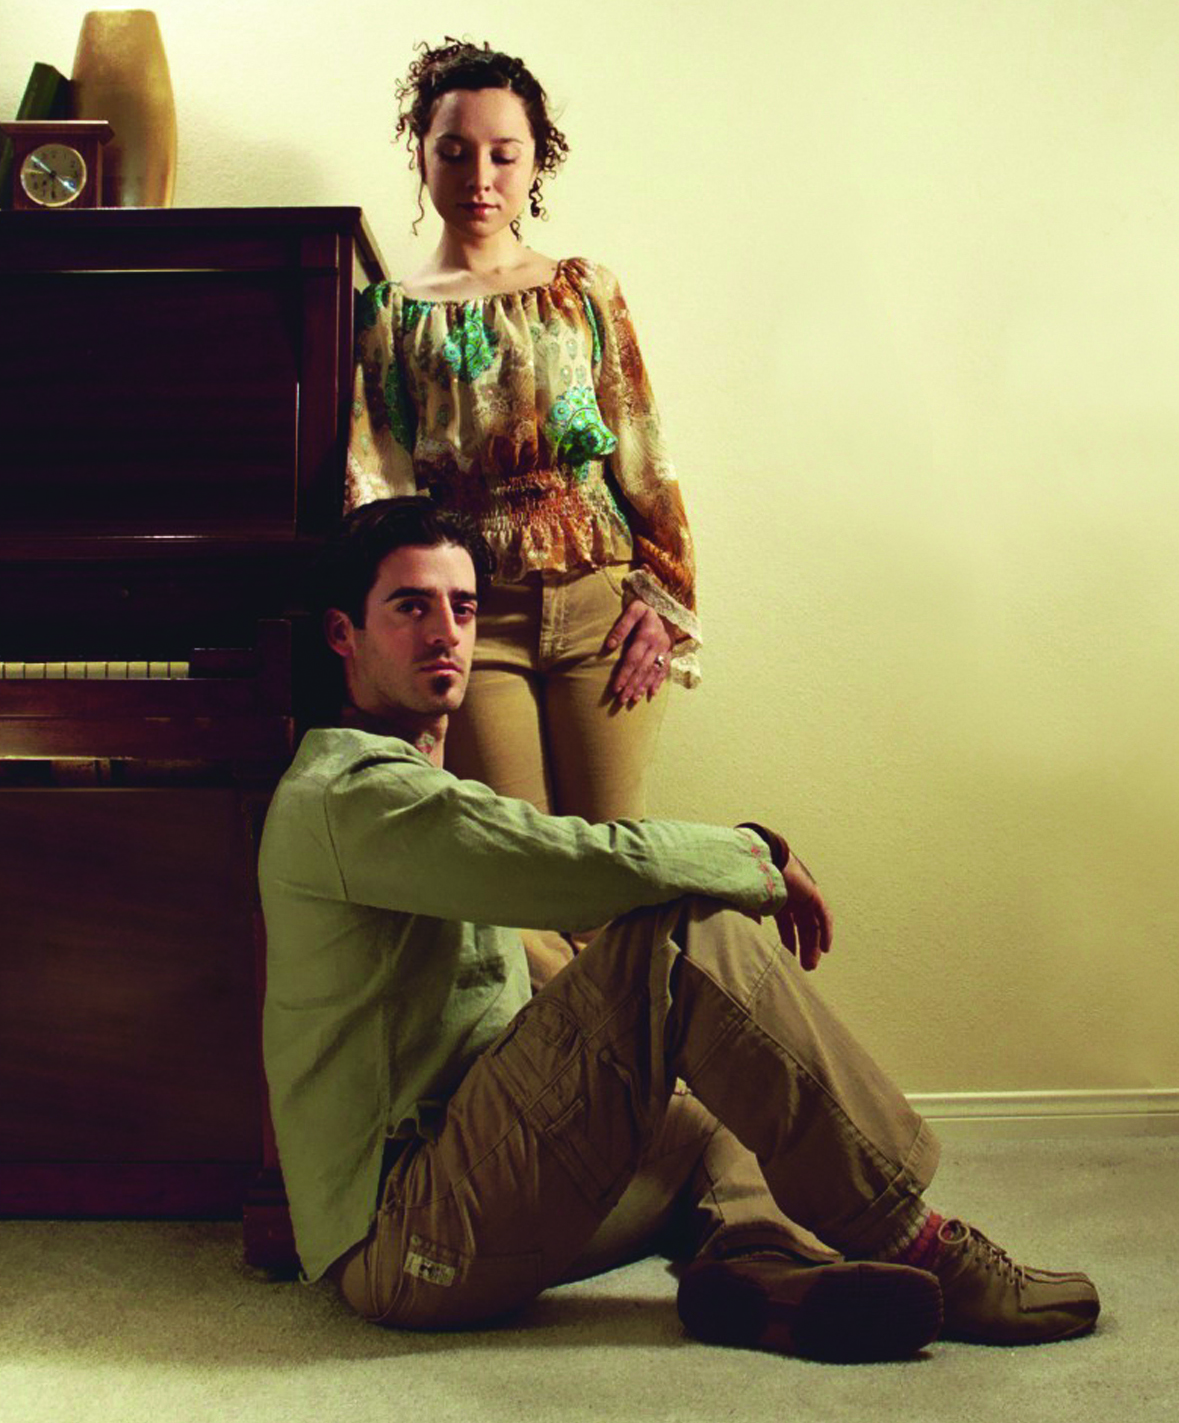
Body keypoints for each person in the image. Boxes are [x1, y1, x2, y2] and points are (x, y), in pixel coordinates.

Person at [257, 497, 1100, 1362]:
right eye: (411, 607)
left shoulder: (427, 794)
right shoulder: (350, 795)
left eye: (463, 607)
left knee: (722, 1103)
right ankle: (918, 1241)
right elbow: (571, 865)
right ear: (343, 634)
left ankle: (758, 1273)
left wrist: (642, 1042)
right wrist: (753, 855)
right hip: (412, 1240)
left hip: (474, 1191)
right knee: (685, 935)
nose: (445, 632)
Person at [346, 38, 698, 857]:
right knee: (520, 867)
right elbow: (378, 487)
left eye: (503, 155)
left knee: (616, 863)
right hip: (473, 617)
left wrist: (665, 594)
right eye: (454, 152)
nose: (480, 177)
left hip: (604, 603)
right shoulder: (389, 314)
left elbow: (642, 445)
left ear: (536, 161)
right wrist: (398, 643)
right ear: (421, 155)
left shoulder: (585, 290)